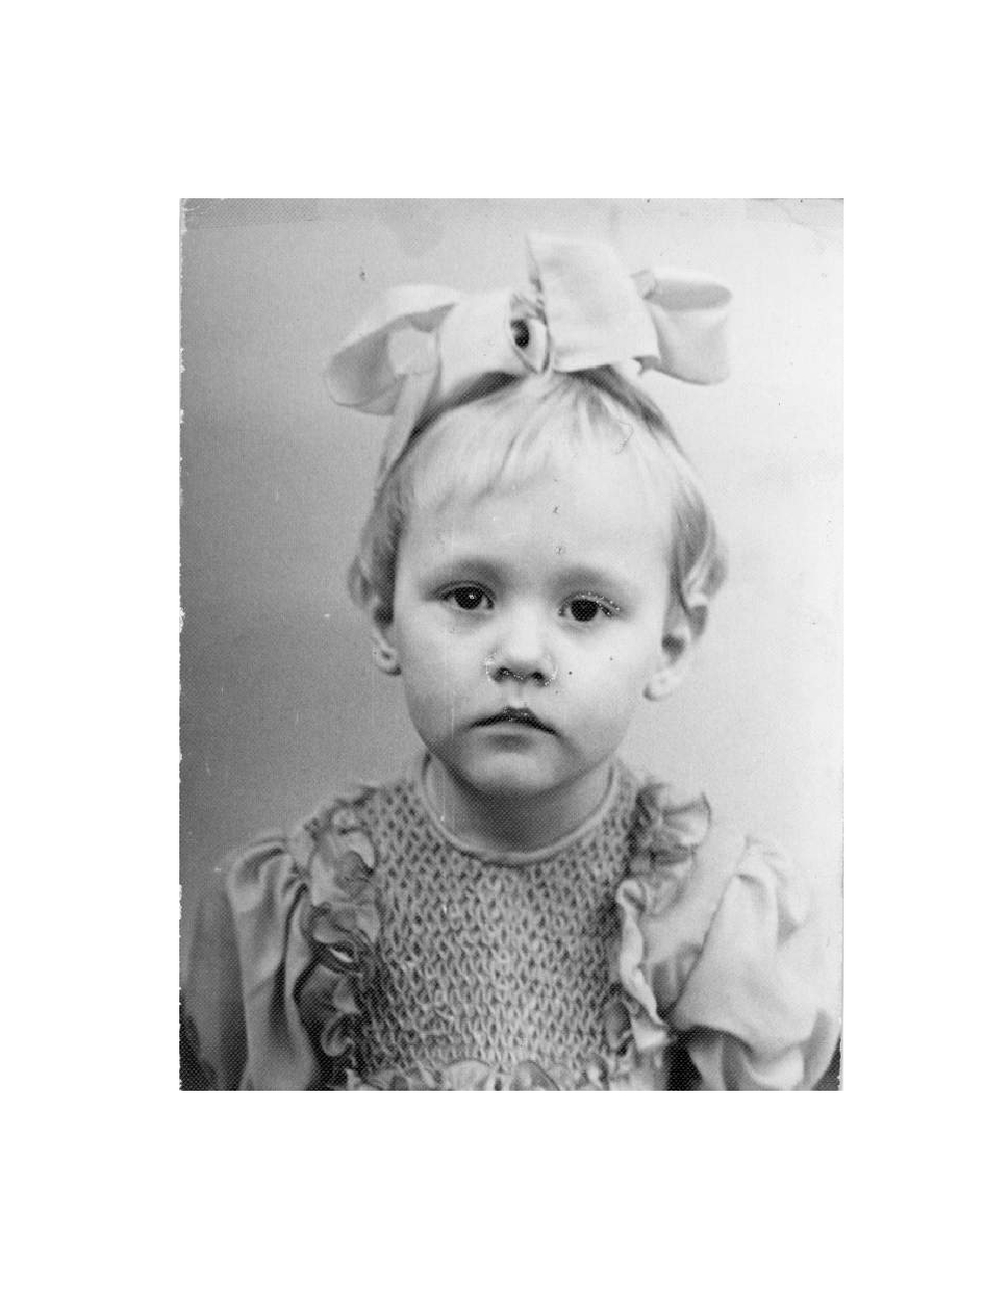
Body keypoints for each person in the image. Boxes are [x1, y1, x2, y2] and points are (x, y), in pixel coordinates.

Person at [181, 232, 839, 1090]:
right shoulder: (302, 908)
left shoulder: (706, 910)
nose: (522, 654)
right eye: (468, 596)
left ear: (671, 644)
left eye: (584, 609)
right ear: (383, 611)